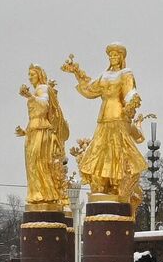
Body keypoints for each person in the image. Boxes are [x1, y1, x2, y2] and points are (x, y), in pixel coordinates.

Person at [61, 45, 149, 203]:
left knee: (118, 151)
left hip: (118, 117)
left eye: (115, 55)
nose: (112, 57)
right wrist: (76, 72)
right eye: (110, 55)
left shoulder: (126, 74)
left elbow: (130, 92)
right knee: (100, 150)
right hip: (104, 118)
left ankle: (117, 183)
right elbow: (90, 89)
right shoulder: (104, 75)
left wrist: (132, 103)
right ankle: (103, 183)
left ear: (121, 57)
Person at [15, 65, 70, 212]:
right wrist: (25, 132)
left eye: (32, 74)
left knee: (39, 162)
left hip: (41, 131)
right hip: (33, 131)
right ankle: (36, 194)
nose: (29, 77)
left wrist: (29, 96)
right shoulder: (37, 91)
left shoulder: (43, 88)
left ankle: (45, 194)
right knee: (32, 164)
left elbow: (44, 106)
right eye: (29, 75)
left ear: (39, 75)